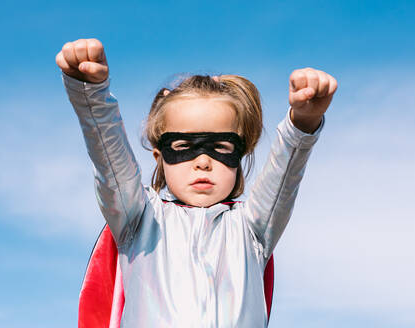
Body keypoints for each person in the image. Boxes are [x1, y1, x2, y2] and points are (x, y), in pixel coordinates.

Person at [56, 38, 337, 327]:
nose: (203, 162)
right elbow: (108, 158)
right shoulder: (139, 219)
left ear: (240, 156)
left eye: (221, 147)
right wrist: (90, 93)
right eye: (183, 146)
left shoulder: (253, 229)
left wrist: (303, 122)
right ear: (159, 156)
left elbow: (285, 174)